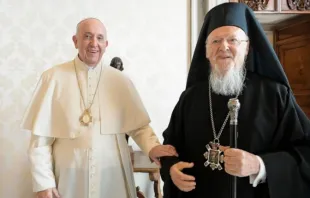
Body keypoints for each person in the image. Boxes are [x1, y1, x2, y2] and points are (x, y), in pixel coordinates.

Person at [160, 3, 310, 198]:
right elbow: (171, 146)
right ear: (206, 52)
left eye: (233, 39)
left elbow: (305, 153)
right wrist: (172, 170)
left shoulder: (275, 95)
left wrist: (260, 165)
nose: (223, 46)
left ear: (247, 48)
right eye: (215, 41)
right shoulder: (190, 98)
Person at [21, 18, 177, 198]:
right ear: (75, 41)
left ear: (106, 44)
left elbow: (139, 127)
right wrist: (44, 183)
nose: (94, 43)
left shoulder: (120, 81)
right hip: (68, 177)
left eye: (99, 38)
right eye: (87, 36)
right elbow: (40, 140)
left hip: (113, 176)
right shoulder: (53, 78)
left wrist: (153, 147)